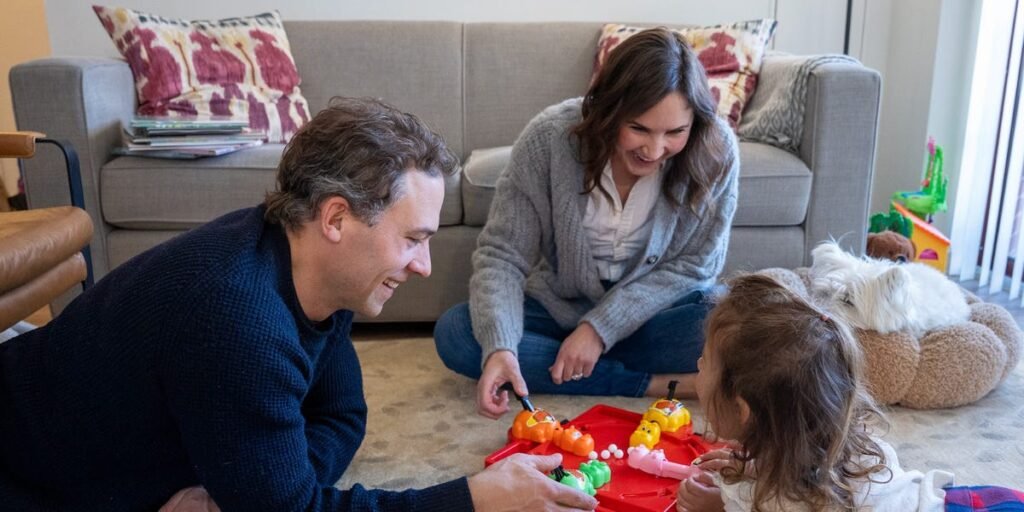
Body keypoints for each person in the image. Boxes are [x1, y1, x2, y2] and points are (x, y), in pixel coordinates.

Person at [0, 97, 598, 512]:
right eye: (413, 239)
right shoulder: (237, 319)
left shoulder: (313, 270)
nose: (425, 267)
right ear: (336, 217)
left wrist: (249, 493)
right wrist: (471, 499)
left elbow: (342, 414)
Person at [433, 27, 740, 419]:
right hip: (558, 309)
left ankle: (582, 363)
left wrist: (599, 330)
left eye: (675, 132)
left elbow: (696, 266)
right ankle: (655, 384)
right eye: (638, 128)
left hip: (652, 316)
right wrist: (502, 347)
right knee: (459, 334)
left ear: (693, 123)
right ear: (608, 111)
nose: (654, 149)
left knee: (724, 319)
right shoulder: (548, 139)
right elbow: (502, 256)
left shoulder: (716, 150)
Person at [675, 273, 958, 511]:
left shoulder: (784, 503)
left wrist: (724, 504)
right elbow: (808, 473)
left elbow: (788, 500)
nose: (698, 364)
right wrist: (760, 466)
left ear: (743, 409)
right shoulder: (840, 444)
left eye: (706, 362)